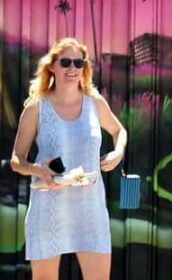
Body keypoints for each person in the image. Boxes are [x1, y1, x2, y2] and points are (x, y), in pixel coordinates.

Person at [10, 38, 127, 280]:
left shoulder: (95, 103)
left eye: (78, 63)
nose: (72, 68)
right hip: (49, 209)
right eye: (65, 62)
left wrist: (118, 153)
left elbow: (119, 131)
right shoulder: (36, 107)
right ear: (52, 66)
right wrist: (37, 169)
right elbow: (16, 160)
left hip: (90, 209)